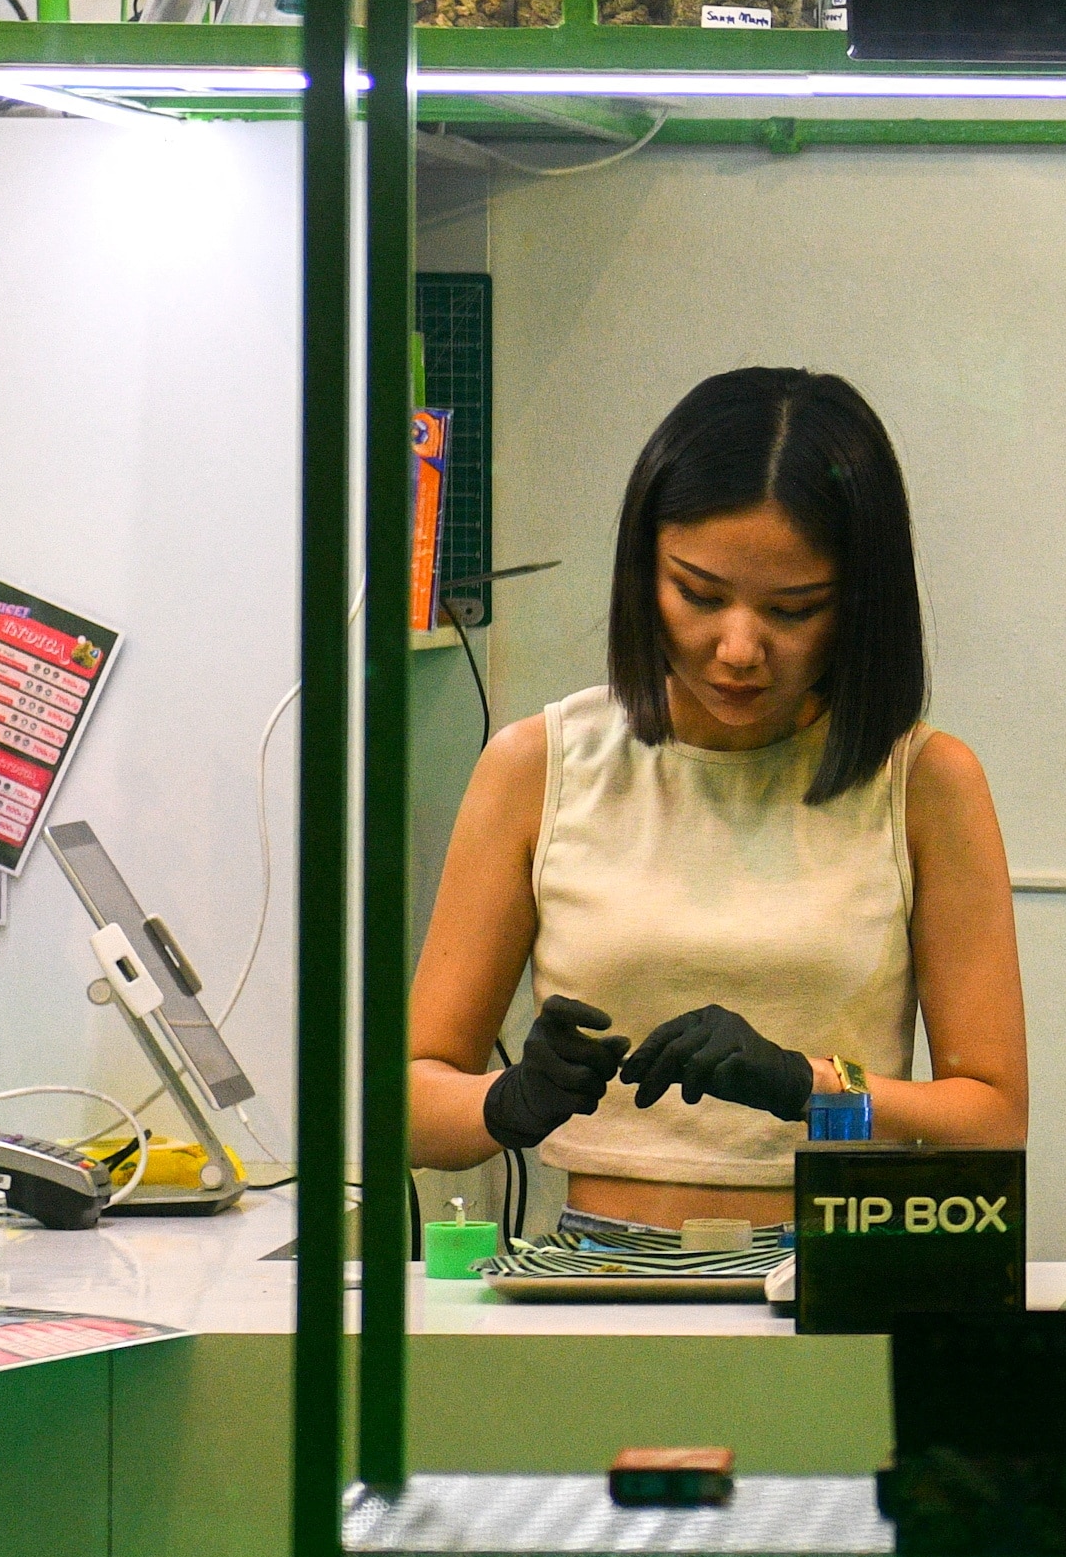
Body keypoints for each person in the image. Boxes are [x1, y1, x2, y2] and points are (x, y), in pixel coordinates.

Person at [408, 369, 1027, 1248]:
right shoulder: (536, 767)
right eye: (698, 594)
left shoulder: (925, 783)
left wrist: (814, 1084)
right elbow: (410, 1106)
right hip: (597, 1272)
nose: (739, 649)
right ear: (643, 572)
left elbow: (993, 1120)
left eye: (794, 609)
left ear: (859, 603)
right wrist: (506, 1101)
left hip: (831, 1270)